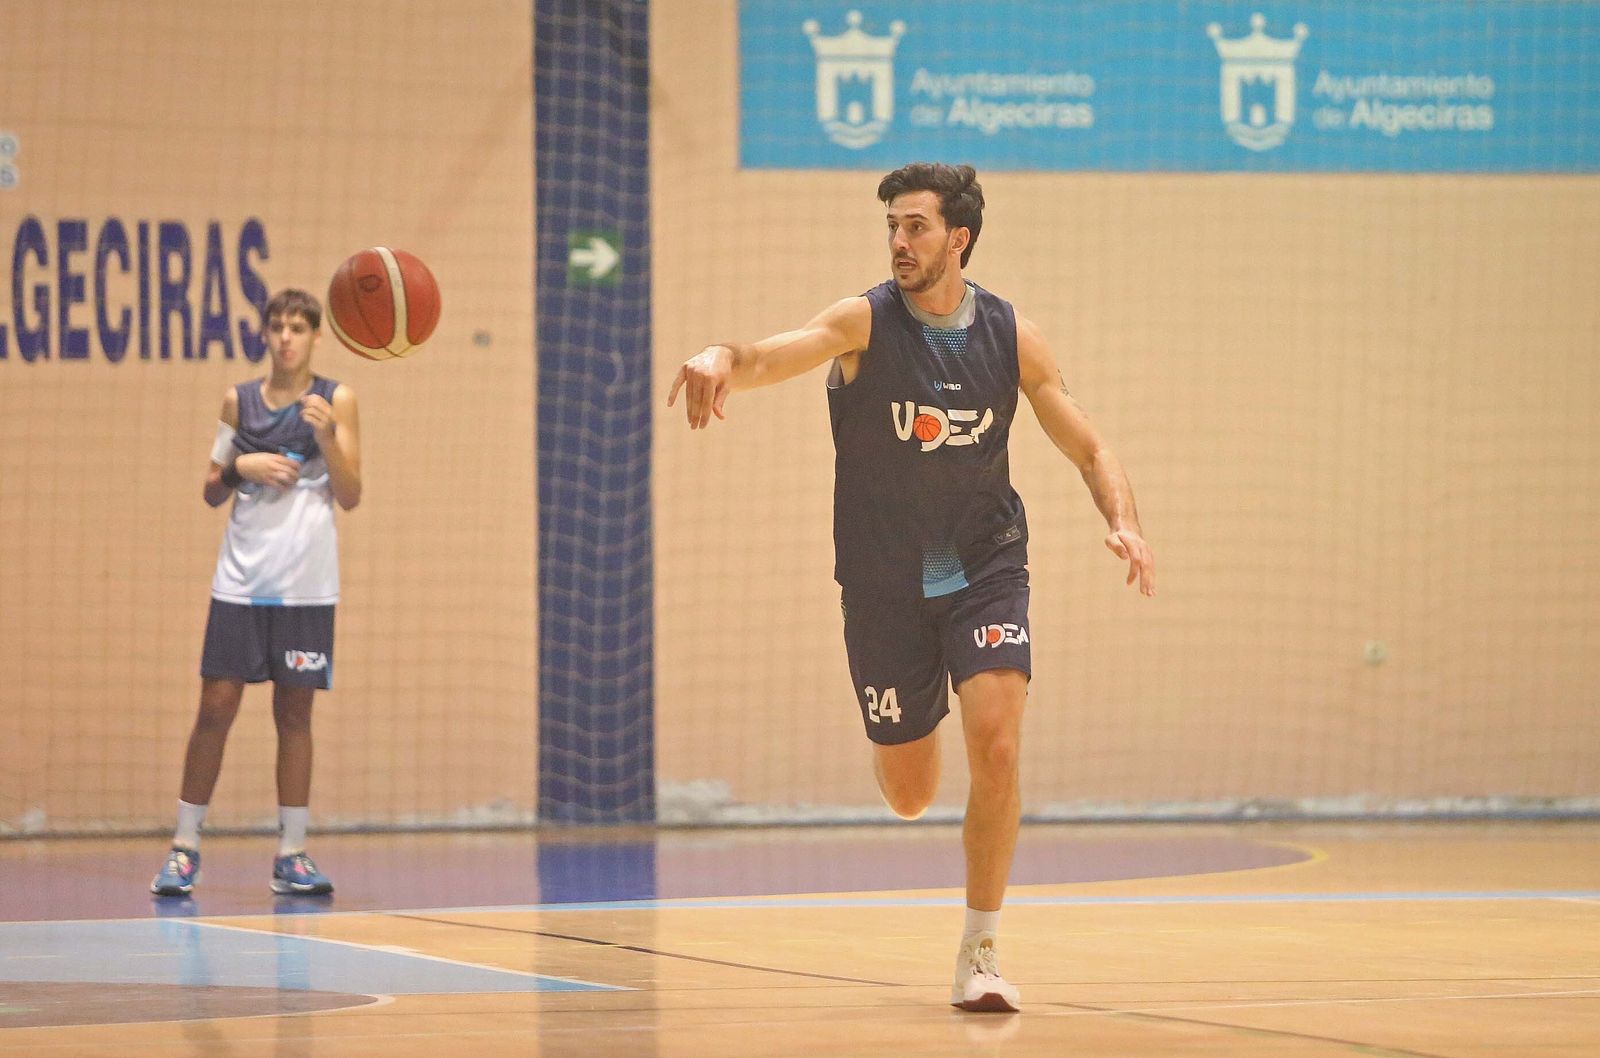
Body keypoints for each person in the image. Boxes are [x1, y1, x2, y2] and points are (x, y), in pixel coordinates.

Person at [668, 163, 1154, 1012]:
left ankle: (981, 949)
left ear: (957, 238)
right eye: (893, 225)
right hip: (886, 579)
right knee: (910, 793)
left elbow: (1090, 447)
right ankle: (910, 720)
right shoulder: (865, 321)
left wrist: (1125, 519)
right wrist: (720, 354)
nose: (900, 241)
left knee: (998, 745)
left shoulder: (1012, 335)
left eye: (917, 226)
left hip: (983, 563)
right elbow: (773, 355)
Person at [150, 288, 362, 898]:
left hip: (307, 589)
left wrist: (326, 441)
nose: (286, 337)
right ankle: (184, 847)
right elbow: (212, 488)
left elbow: (350, 494)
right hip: (242, 584)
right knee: (214, 708)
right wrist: (244, 467)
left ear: (316, 336)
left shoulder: (336, 399)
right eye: (277, 326)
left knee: (295, 716)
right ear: (265, 334)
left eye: (298, 327)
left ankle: (292, 853)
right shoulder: (238, 400)